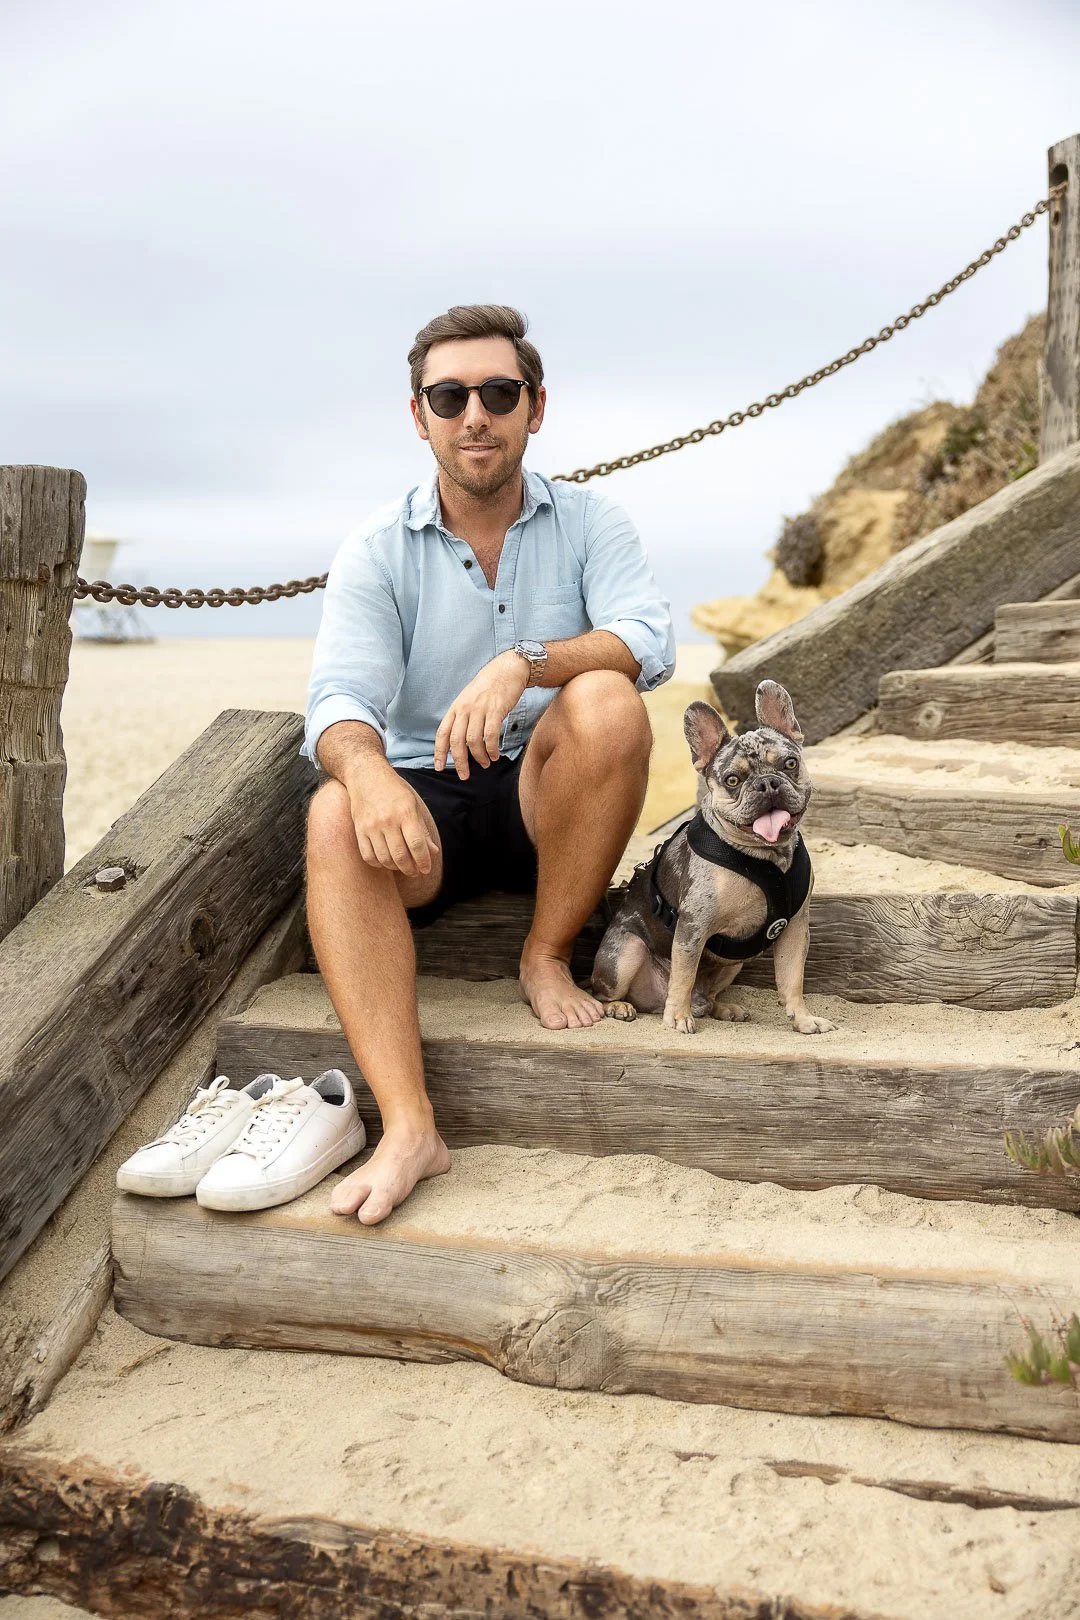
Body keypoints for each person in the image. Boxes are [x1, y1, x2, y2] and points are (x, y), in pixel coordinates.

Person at [304, 303, 674, 1225]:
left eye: (499, 393)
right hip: (427, 807)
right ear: (419, 415)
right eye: (450, 397)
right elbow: (338, 701)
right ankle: (410, 1128)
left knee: (607, 698)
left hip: (550, 795)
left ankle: (544, 955)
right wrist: (369, 776)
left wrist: (524, 663)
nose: (476, 415)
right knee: (333, 811)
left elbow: (647, 640)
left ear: (535, 408)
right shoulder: (376, 549)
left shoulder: (591, 521)